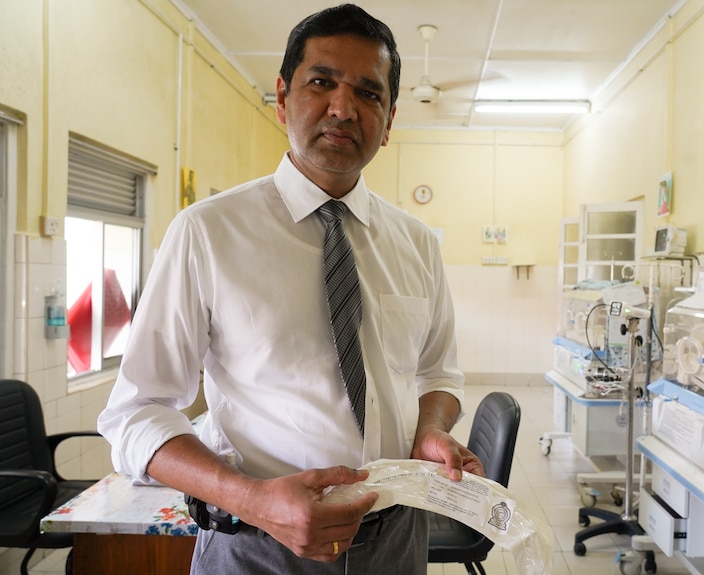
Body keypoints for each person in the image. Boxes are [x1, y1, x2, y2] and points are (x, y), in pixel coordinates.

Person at [97, 4, 481, 574]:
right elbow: (136, 412)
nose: (343, 108)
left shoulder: (416, 243)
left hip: (397, 538)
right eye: (322, 82)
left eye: (369, 94)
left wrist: (429, 430)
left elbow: (438, 374)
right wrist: (250, 499)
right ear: (283, 96)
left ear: (391, 117)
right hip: (256, 545)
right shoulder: (207, 232)